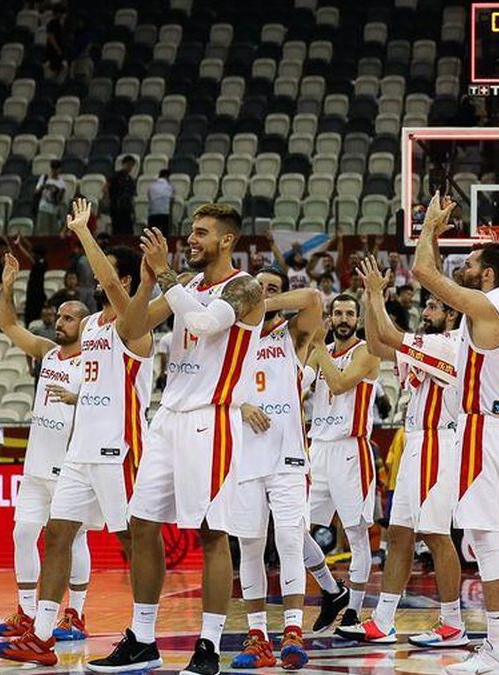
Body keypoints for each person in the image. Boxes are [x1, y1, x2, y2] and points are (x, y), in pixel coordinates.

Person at [0, 201, 148, 669]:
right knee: (54, 536)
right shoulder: (89, 328)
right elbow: (10, 324)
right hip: (76, 453)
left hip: (117, 449)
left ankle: (143, 632)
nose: (99, 281)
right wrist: (9, 286)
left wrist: (81, 233)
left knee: (128, 541)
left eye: (107, 276)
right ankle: (40, 634)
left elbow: (116, 287)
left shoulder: (135, 328)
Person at [116, 206, 265, 675]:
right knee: (141, 522)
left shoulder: (246, 287)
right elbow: (130, 330)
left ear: (227, 241)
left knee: (211, 533)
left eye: (202, 233)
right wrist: (146, 282)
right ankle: (142, 637)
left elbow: (203, 325)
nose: (192, 239)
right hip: (169, 415)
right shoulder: (187, 285)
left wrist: (164, 274)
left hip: (212, 418)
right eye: (192, 232)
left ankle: (208, 646)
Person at [411, 193, 499, 674]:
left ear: (486, 276)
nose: (464, 265)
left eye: (472, 261)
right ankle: (498, 646)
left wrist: (430, 231)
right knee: (481, 537)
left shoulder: (485, 307)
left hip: (482, 428)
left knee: (485, 537)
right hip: (489, 427)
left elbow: (423, 273)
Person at [338, 258, 470, 649]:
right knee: (398, 535)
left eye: (431, 307)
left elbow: (391, 336)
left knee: (435, 533)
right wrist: (368, 296)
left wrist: (378, 294)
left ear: (450, 313)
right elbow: (378, 345)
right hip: (416, 441)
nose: (424, 312)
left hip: (438, 442)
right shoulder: (429, 342)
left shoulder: (448, 345)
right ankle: (382, 620)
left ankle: (452, 623)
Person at [0, 251, 92, 642]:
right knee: (23, 533)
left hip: (72, 466)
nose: (59, 322)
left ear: (86, 323)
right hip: (37, 463)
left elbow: (113, 405)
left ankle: (75, 615)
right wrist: (8, 284)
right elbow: (8, 323)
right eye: (58, 316)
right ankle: (26, 613)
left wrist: (80, 399)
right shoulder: (48, 353)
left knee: (74, 538)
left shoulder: (95, 361)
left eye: (68, 318)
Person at [226, 267, 321, 669]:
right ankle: (257, 635)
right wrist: (240, 405)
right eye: (258, 288)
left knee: (288, 541)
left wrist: (262, 300)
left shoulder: (291, 337)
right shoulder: (228, 339)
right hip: (244, 458)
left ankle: (293, 632)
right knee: (249, 547)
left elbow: (314, 299)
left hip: (287, 459)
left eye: (274, 290)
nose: (266, 295)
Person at [300, 292, 382, 635]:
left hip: (352, 451)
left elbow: (339, 382)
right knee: (294, 528)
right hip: (318, 448)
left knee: (356, 536)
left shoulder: (367, 351)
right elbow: (297, 385)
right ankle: (332, 590)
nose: (344, 318)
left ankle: (353, 612)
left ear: (358, 319)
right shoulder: (322, 351)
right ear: (330, 318)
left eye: (350, 313)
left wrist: (317, 346)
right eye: (338, 313)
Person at [107, 155, 137, 235]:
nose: (130, 167)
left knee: (128, 230)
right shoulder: (116, 176)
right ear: (123, 164)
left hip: (126, 207)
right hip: (116, 207)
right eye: (128, 164)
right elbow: (106, 188)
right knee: (117, 229)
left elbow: (132, 196)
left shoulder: (130, 180)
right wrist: (109, 200)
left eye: (131, 165)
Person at [34, 160, 66, 235]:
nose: (54, 171)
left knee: (54, 234)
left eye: (56, 168)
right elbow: (36, 191)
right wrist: (44, 187)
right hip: (43, 209)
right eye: (53, 168)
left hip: (54, 211)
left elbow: (61, 199)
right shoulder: (44, 178)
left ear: (59, 169)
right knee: (42, 233)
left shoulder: (61, 183)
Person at [147, 169, 173, 233]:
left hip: (153, 214)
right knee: (164, 235)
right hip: (165, 214)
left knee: (152, 235)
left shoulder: (151, 186)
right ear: (167, 176)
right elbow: (171, 201)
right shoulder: (169, 187)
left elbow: (149, 199)